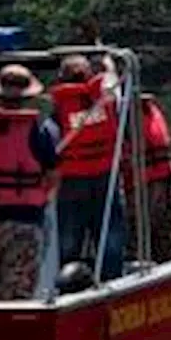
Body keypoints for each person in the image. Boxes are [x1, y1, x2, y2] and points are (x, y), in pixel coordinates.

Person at [0, 64, 60, 299]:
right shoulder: (39, 130)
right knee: (19, 287)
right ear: (28, 97)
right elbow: (52, 174)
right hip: (25, 218)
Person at [50, 54, 126, 280]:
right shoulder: (107, 102)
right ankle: (112, 280)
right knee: (110, 238)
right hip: (105, 179)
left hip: (71, 184)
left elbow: (49, 150)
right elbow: (113, 80)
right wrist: (107, 61)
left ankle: (66, 284)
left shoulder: (57, 115)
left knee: (68, 241)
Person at [124, 93, 171, 262]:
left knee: (153, 223)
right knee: (154, 224)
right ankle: (157, 258)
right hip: (150, 175)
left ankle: (157, 259)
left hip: (150, 177)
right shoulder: (144, 110)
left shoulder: (129, 113)